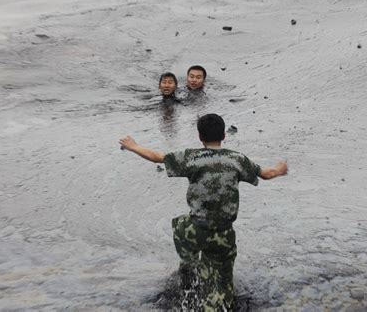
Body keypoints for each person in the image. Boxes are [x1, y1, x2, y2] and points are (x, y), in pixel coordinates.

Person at [119, 113, 288, 310]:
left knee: (180, 225)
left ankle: (188, 269)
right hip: (224, 234)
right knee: (222, 283)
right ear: (224, 135)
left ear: (200, 137)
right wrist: (280, 169)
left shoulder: (192, 157)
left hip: (195, 230)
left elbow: (158, 157)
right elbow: (266, 174)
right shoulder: (238, 159)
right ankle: (217, 302)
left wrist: (134, 146)